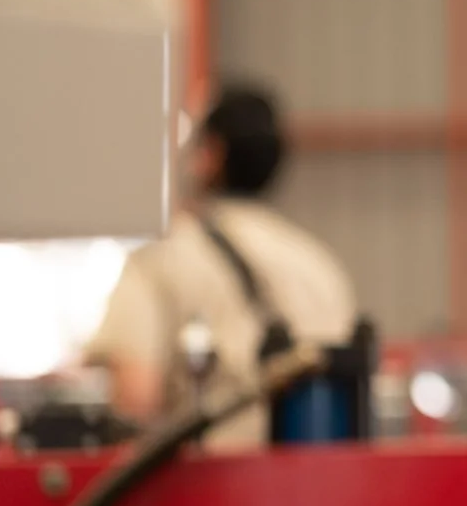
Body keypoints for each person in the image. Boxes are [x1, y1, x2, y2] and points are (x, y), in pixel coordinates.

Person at [86, 83, 357, 449]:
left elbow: (135, 401)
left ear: (210, 154)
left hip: (207, 494)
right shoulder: (320, 266)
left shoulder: (161, 260)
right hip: (312, 492)